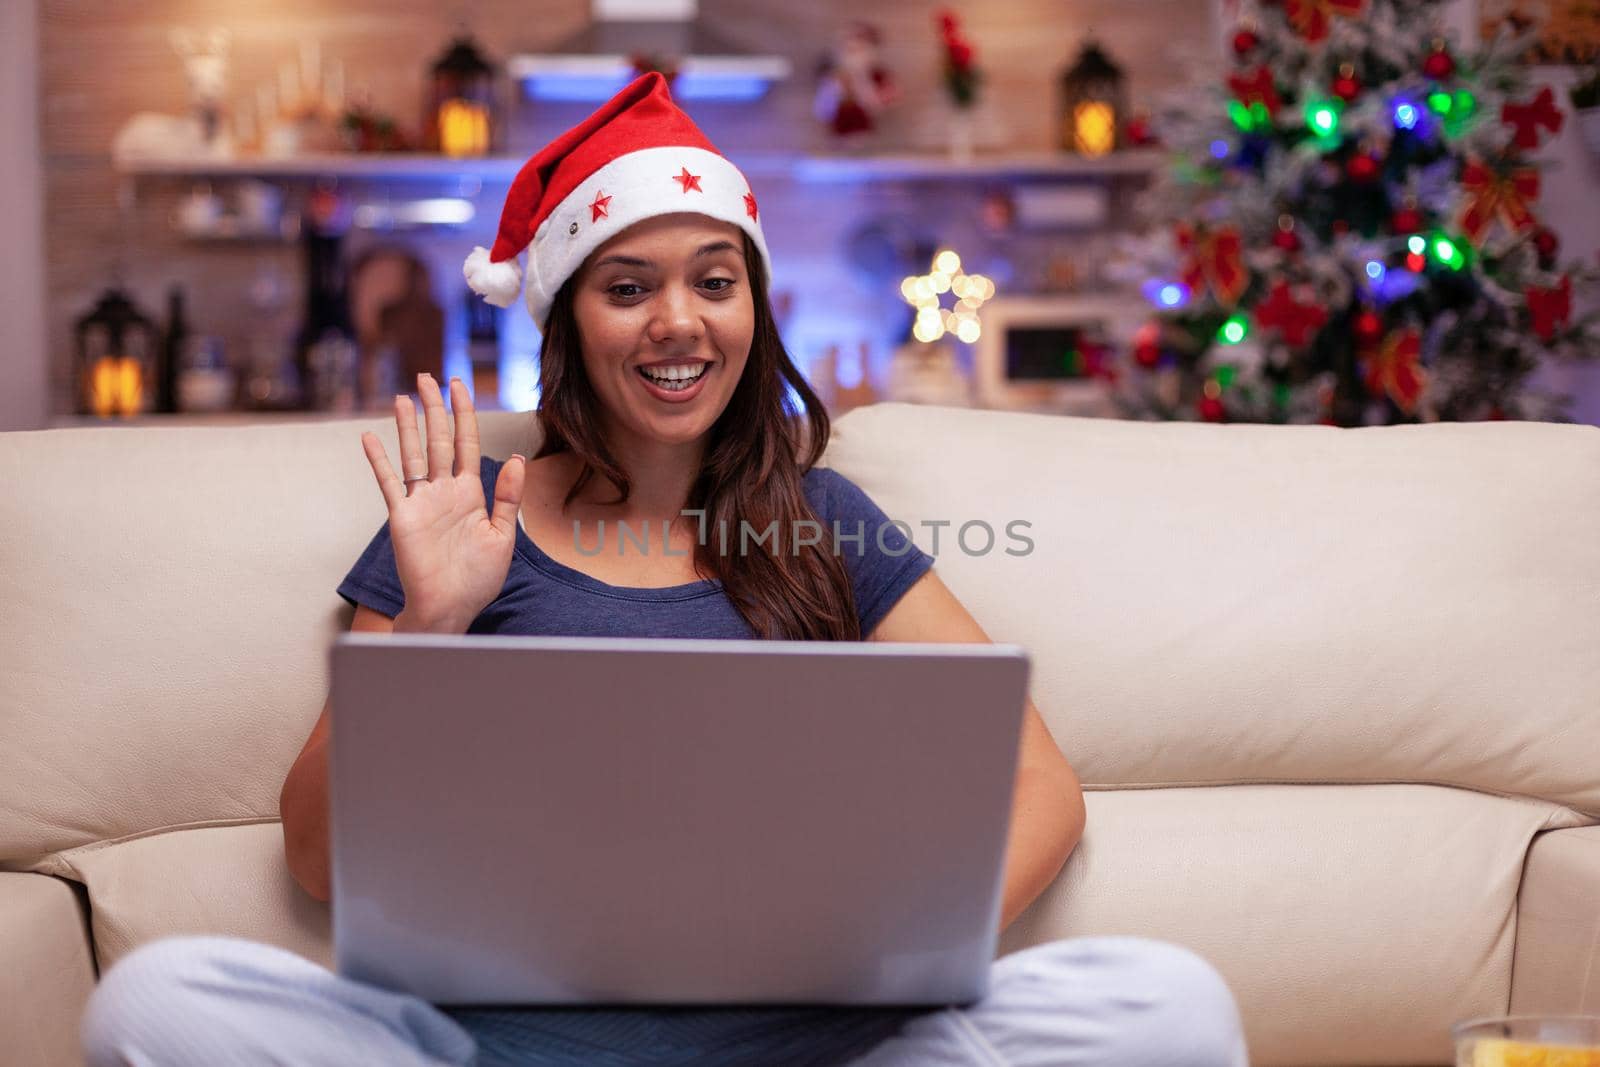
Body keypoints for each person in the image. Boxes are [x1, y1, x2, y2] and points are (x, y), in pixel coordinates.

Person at [81, 73, 1249, 1067]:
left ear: (753, 307)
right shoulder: (458, 524)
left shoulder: (820, 516)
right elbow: (316, 859)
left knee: (1170, 1003)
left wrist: (896, 947)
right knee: (153, 999)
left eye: (713, 279)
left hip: (817, 1038)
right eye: (628, 287)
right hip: (500, 1044)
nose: (678, 323)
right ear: (569, 322)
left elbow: (1040, 778)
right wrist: (433, 623)